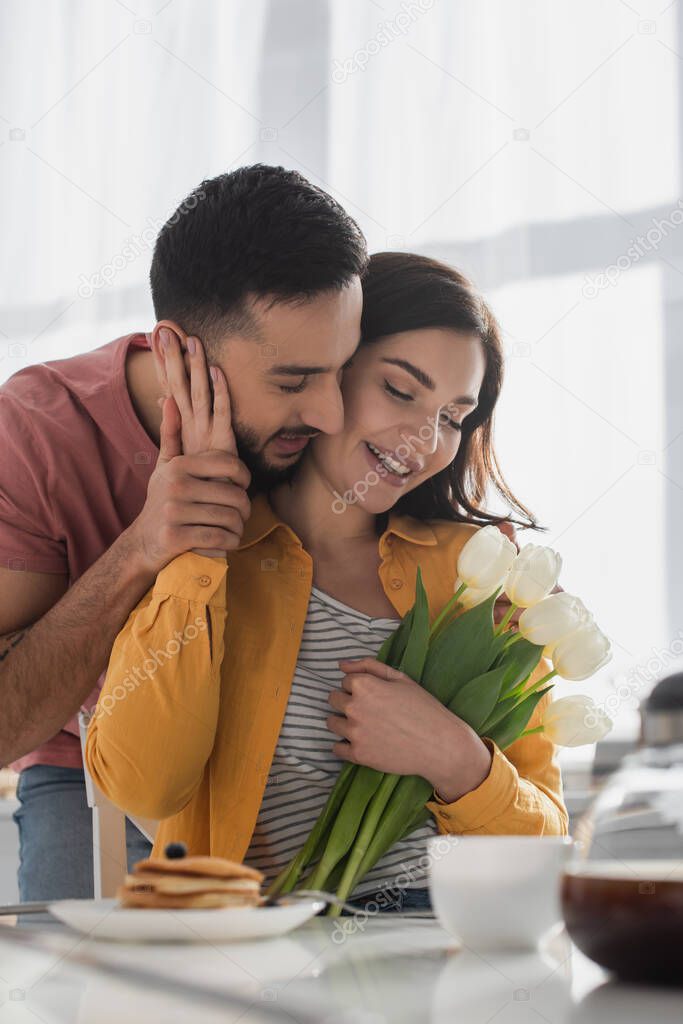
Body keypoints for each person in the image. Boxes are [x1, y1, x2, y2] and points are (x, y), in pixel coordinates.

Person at [85, 253, 569, 914]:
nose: (425, 440)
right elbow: (147, 785)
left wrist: (454, 757)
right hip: (263, 957)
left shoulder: (484, 577)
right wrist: (201, 545)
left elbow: (543, 843)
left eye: (453, 417)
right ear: (328, 374)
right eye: (400, 390)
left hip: (442, 939)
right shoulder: (202, 561)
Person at [0, 164, 367, 900]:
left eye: (342, 369)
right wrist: (140, 549)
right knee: (78, 992)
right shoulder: (36, 432)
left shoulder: (337, 421)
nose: (331, 414)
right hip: (84, 774)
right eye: (292, 382)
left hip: (285, 750)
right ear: (175, 351)